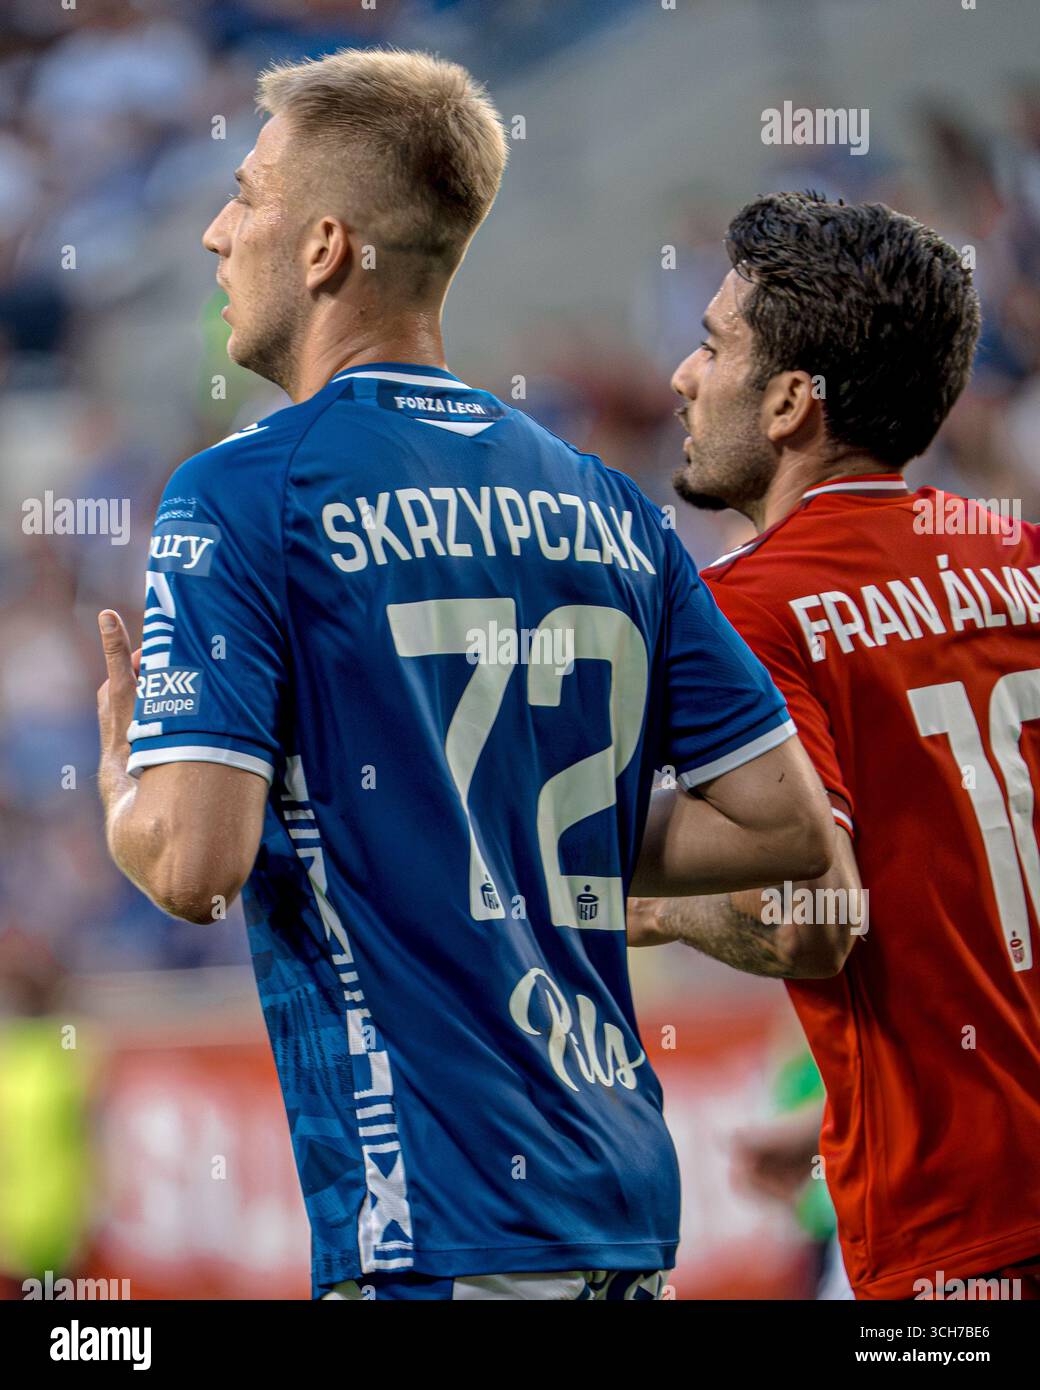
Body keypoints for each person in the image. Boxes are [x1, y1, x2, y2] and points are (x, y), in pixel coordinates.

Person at [94, 52, 832, 1301]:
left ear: (325, 246)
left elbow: (192, 867)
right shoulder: (603, 502)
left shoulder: (241, 492)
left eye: (247, 195)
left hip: (430, 1222)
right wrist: (504, 825)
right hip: (622, 1210)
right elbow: (783, 824)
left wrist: (124, 789)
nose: (219, 232)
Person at [631, 191, 1040, 1300]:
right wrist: (824, 1117)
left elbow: (811, 922)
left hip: (958, 1237)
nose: (680, 374)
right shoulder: (1026, 563)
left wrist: (650, 904)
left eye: (711, 345)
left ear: (786, 404)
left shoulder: (744, 609)